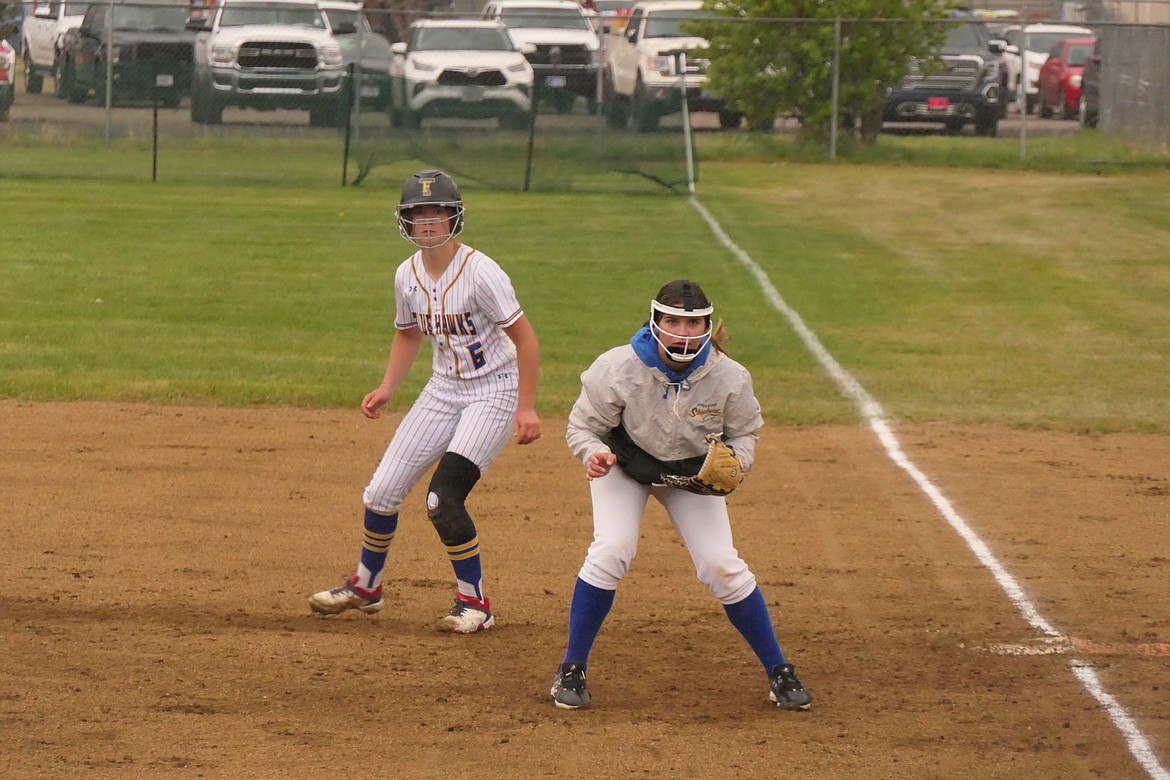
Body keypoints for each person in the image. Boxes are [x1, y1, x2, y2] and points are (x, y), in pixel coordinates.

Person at [549, 279, 811, 710]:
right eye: (673, 322)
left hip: (692, 476)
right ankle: (571, 668)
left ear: (707, 327)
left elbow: (745, 432)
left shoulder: (729, 376)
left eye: (694, 324)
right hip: (626, 467)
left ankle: (779, 670)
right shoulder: (617, 367)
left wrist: (737, 463)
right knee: (611, 549)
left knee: (721, 565)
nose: (684, 333)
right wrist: (595, 453)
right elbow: (582, 426)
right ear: (655, 323)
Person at [309, 169, 541, 633]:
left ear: (454, 217)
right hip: (442, 389)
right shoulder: (406, 275)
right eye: (420, 213)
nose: (429, 221)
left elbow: (526, 340)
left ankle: (475, 603)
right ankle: (367, 586)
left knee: (443, 498)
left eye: (438, 212)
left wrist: (527, 406)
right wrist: (387, 387)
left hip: (494, 390)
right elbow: (407, 333)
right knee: (381, 492)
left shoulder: (482, 273)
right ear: (407, 221)